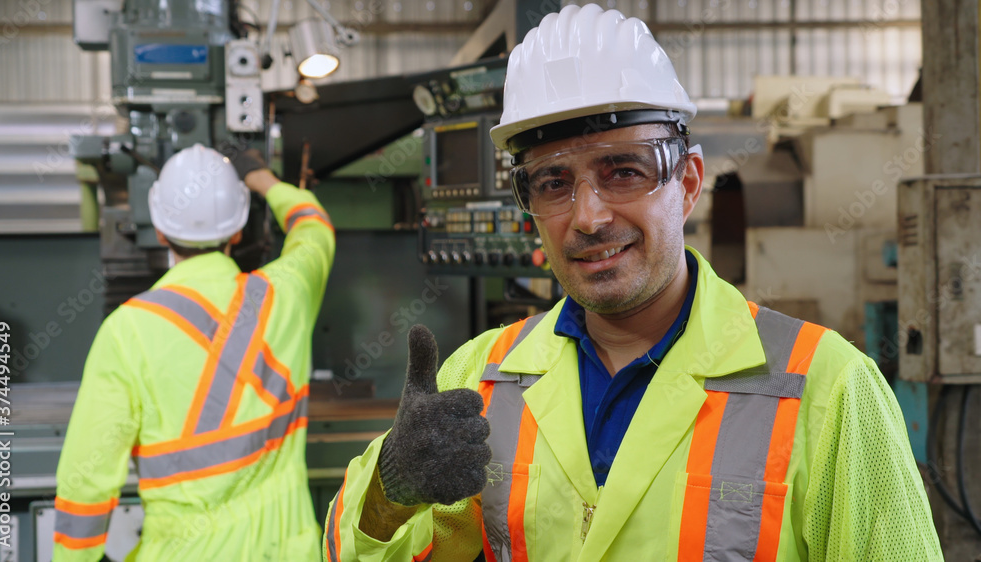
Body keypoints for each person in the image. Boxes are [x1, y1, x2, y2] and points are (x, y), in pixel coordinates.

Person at [323, 5, 942, 561]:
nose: (588, 217)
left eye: (624, 171)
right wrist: (389, 495)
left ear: (689, 182)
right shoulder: (479, 378)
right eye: (553, 182)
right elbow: (350, 550)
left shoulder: (828, 392)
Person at [53, 143, 335, 561]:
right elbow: (313, 227)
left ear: (161, 229)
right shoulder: (286, 293)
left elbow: (86, 483)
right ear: (238, 230)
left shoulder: (126, 332)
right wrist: (263, 180)